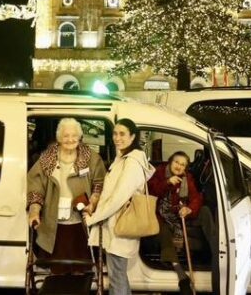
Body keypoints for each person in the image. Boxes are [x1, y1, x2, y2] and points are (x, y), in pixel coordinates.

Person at [26, 118, 106, 273]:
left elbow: (99, 184)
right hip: (54, 222)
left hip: (82, 222)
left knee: (81, 267)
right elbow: (36, 187)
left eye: (74, 135)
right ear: (59, 137)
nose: (70, 139)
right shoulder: (46, 158)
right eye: (66, 136)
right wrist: (34, 211)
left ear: (80, 136)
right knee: (58, 267)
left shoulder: (91, 157)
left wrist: (93, 202)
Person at [86, 118, 155, 295]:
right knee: (118, 276)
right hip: (116, 226)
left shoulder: (131, 162)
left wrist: (93, 218)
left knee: (117, 277)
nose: (117, 138)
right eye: (115, 134)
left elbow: (118, 198)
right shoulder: (122, 159)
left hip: (119, 226)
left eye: (122, 134)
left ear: (133, 136)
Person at [148, 151, 215, 295]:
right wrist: (167, 182)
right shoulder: (159, 172)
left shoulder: (186, 178)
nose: (179, 166)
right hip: (158, 214)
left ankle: (216, 251)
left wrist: (189, 209)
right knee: (164, 232)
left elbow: (196, 198)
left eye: (183, 165)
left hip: (177, 214)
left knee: (204, 211)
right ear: (170, 161)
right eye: (176, 162)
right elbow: (150, 190)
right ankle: (181, 275)